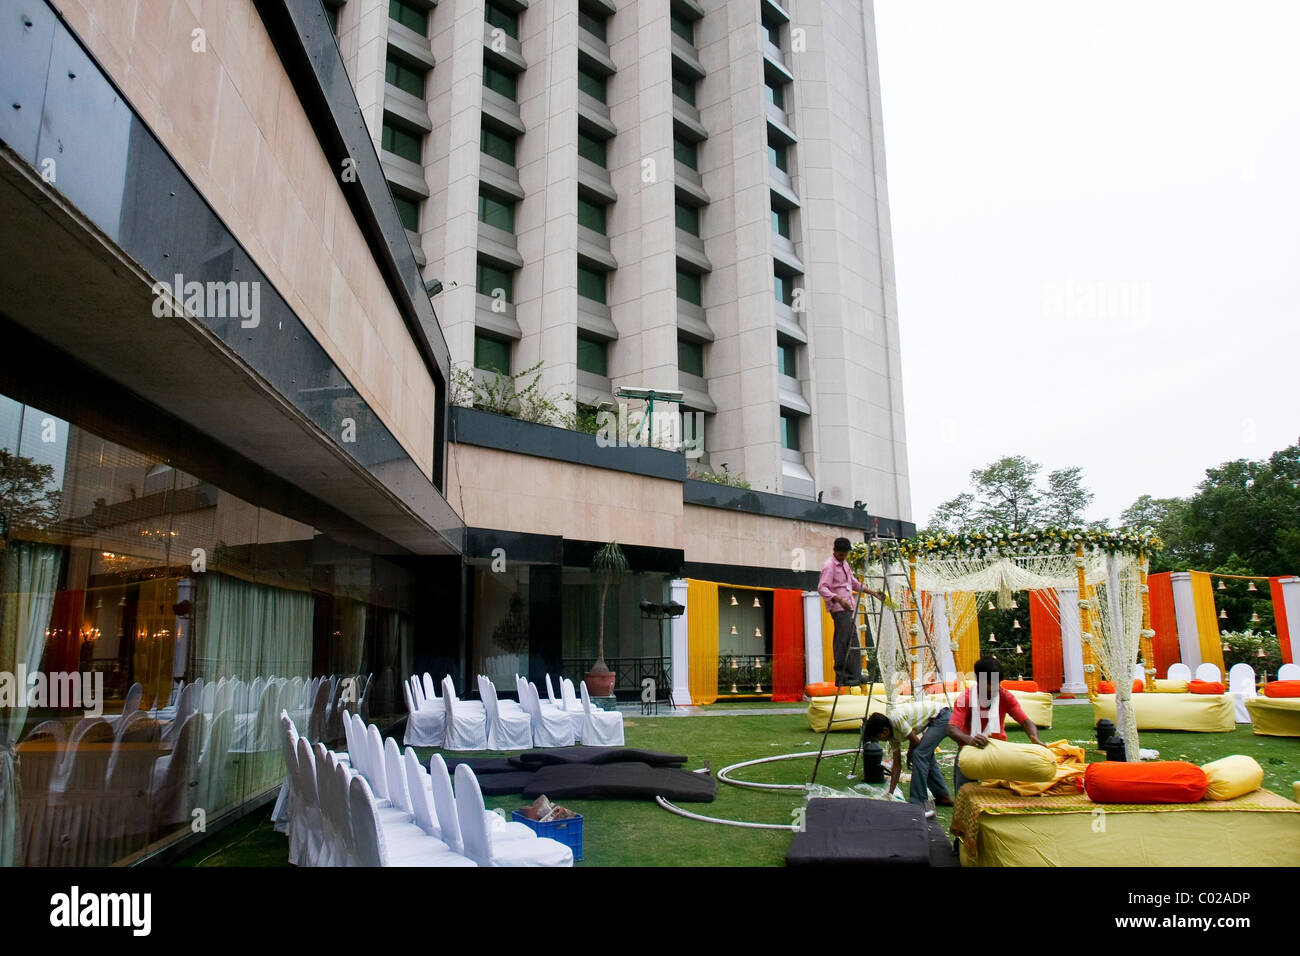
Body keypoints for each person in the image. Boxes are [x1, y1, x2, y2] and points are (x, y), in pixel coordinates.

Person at [947, 656, 1047, 794]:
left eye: (997, 684)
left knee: (1000, 795)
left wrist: (1034, 737)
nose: (995, 689)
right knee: (964, 794)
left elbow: (1026, 722)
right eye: (990, 684)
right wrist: (971, 740)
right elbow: (952, 729)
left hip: (998, 751)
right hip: (969, 750)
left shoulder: (1005, 696)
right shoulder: (965, 698)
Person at [863, 699, 956, 811]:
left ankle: (918, 801)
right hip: (936, 720)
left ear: (885, 730)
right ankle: (943, 796)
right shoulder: (892, 738)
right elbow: (897, 765)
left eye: (879, 737)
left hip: (942, 716)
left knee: (919, 754)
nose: (881, 740)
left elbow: (915, 740)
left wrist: (909, 754)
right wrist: (890, 793)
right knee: (925, 755)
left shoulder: (895, 718)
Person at [817, 537, 885, 686]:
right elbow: (822, 588)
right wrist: (839, 600)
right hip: (839, 608)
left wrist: (873, 593)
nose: (843, 556)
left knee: (853, 641)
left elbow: (853, 583)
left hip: (848, 607)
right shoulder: (829, 566)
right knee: (842, 642)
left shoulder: (845, 564)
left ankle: (855, 674)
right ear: (834, 551)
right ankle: (842, 676)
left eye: (845, 554)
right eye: (841, 554)